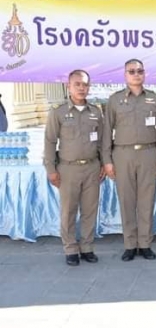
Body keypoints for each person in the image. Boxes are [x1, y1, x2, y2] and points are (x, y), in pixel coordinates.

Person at [102, 59, 156, 262]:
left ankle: (145, 244)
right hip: (123, 155)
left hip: (148, 154)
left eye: (140, 71)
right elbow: (106, 132)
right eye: (132, 71)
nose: (136, 74)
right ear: (125, 75)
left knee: (146, 201)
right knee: (127, 201)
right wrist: (107, 160)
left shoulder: (154, 99)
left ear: (144, 74)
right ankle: (130, 244)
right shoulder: (115, 100)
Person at [43, 70, 104, 266]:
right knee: (68, 211)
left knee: (89, 210)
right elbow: (50, 142)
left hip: (92, 168)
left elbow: (102, 142)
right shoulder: (58, 112)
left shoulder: (96, 112)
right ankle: (70, 248)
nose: (81, 88)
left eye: (85, 85)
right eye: (77, 84)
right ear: (68, 86)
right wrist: (50, 169)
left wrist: (104, 163)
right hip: (68, 169)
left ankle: (87, 247)